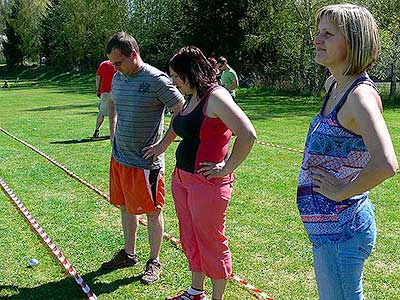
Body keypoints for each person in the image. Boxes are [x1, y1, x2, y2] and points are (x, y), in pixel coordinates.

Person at [297, 4, 398, 300]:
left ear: (354, 41)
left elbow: (387, 163)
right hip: (329, 234)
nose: (317, 39)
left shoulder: (359, 96)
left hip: (342, 232)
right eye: (318, 32)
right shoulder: (335, 85)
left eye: (328, 34)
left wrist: (343, 191)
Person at [166, 46, 257, 300]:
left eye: (176, 75)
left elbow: (247, 133)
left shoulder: (216, 96)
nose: (173, 81)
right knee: (190, 236)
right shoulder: (191, 96)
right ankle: (196, 292)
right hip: (183, 179)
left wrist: (226, 168)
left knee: (211, 241)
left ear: (190, 72)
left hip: (207, 184)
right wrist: (161, 146)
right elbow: (181, 127)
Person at [101, 32, 184, 285]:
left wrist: (163, 144)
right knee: (125, 207)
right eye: (112, 63)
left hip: (146, 164)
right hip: (120, 159)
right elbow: (113, 103)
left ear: (133, 54)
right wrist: (112, 129)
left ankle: (154, 261)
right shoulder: (118, 77)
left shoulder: (157, 80)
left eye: (118, 62)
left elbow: (182, 111)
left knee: (152, 212)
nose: (114, 68)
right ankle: (129, 254)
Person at [93, 60, 116, 138]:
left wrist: (98, 89)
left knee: (102, 112)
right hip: (117, 90)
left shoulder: (103, 64)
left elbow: (98, 77)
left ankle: (96, 130)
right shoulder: (119, 63)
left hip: (105, 91)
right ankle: (114, 132)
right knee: (116, 113)